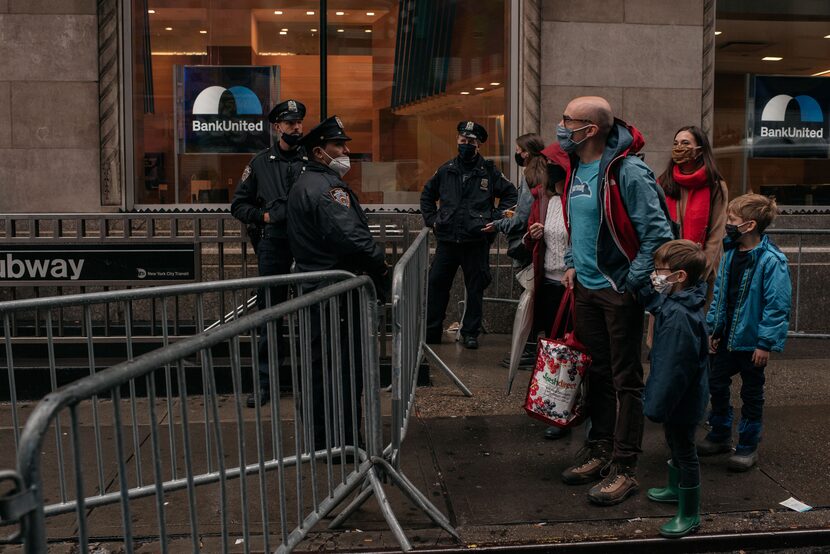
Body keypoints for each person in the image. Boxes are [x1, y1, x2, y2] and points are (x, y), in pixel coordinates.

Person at [556, 96, 674, 506]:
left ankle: (625, 467)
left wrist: (627, 283)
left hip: (616, 292)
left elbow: (657, 234)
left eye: (567, 120)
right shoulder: (576, 168)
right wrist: (572, 262)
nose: (561, 125)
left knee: (626, 380)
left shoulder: (628, 171)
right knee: (598, 373)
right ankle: (600, 448)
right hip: (586, 289)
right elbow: (576, 225)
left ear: (589, 130)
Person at [287, 115, 390, 451]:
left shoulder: (310, 182)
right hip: (334, 295)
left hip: (321, 290)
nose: (346, 150)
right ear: (319, 152)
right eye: (339, 145)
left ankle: (326, 441)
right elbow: (354, 240)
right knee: (340, 372)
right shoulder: (327, 189)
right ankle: (339, 443)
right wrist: (381, 265)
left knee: (322, 368)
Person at [698, 194, 791, 471]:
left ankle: (748, 445)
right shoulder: (729, 253)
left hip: (752, 342)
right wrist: (713, 328)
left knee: (751, 394)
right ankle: (720, 433)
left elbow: (777, 305)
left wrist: (765, 343)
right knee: (717, 384)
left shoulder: (772, 260)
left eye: (732, 220)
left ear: (749, 225)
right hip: (726, 338)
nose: (727, 224)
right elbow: (720, 296)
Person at [231, 99, 307, 408]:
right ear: (277, 127)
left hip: (305, 244)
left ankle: (310, 381)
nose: (296, 127)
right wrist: (263, 217)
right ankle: (266, 384)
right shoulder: (261, 162)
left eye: (299, 122)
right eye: (290, 123)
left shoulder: (309, 159)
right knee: (270, 315)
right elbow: (238, 205)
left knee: (311, 312)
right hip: (273, 243)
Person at [421, 121, 518, 349]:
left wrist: (493, 218)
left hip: (476, 241)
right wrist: (433, 220)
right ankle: (432, 330)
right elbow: (427, 196)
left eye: (471, 142)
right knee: (437, 285)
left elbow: (511, 196)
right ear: (457, 141)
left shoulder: (490, 171)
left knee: (475, 289)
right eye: (463, 141)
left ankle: (470, 333)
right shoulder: (446, 170)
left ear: (479, 144)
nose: (466, 145)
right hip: (447, 240)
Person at [641, 240, 709, 539]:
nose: (655, 275)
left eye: (660, 270)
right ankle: (674, 488)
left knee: (685, 449)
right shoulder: (677, 304)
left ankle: (689, 513)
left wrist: (656, 403)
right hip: (679, 398)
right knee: (675, 442)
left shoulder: (680, 317)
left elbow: (674, 367)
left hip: (682, 399)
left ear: (679, 276)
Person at [522, 142, 573, 440]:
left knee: (572, 348)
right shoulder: (542, 199)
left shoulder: (573, 200)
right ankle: (555, 410)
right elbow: (529, 241)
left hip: (572, 286)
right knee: (554, 349)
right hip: (548, 284)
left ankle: (577, 408)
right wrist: (532, 235)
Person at [486, 134, 547, 368]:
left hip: (528, 247)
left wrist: (499, 223)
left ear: (527, 152)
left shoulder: (530, 176)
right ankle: (532, 349)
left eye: (519, 150)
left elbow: (521, 219)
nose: (518, 154)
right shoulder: (545, 172)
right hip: (539, 244)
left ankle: (529, 351)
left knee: (531, 301)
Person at [657, 126, 728, 298]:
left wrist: (698, 272)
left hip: (701, 272)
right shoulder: (662, 182)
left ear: (699, 150)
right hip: (668, 272)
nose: (679, 147)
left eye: (685, 143)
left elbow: (716, 234)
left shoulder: (715, 186)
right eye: (676, 143)